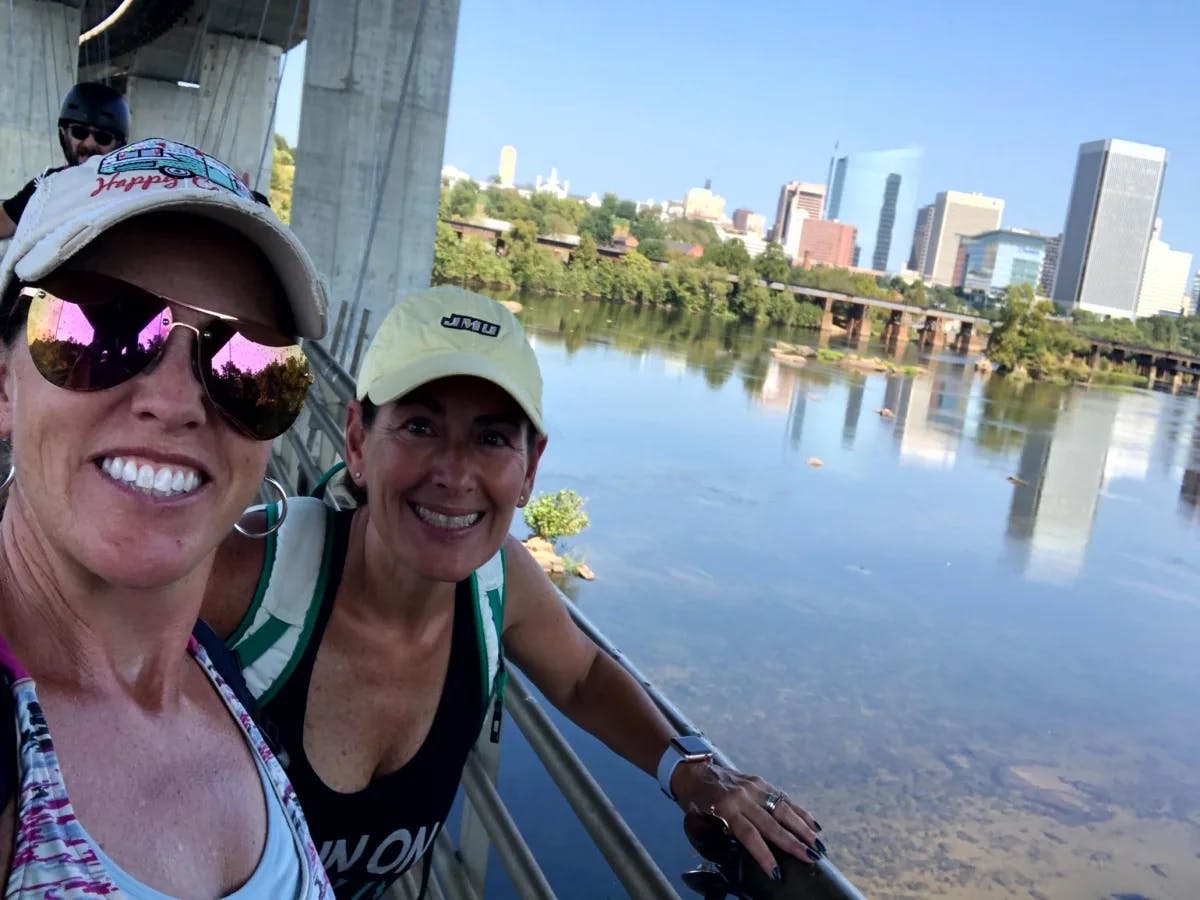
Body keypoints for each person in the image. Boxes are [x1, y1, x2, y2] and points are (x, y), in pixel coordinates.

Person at [203, 286, 827, 899]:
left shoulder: (499, 583)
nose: (454, 474)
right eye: (419, 425)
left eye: (493, 438)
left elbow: (582, 676)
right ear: (359, 442)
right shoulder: (248, 585)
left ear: (530, 469)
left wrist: (694, 771)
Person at [0, 137, 334, 897]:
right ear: (3, 386)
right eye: (99, 330)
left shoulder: (218, 675)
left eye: (249, 364)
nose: (177, 401)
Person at [0, 82, 131, 240]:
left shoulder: (130, 190)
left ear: (118, 144)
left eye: (102, 138)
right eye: (79, 132)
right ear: (64, 132)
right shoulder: (46, 185)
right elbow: (5, 221)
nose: (89, 144)